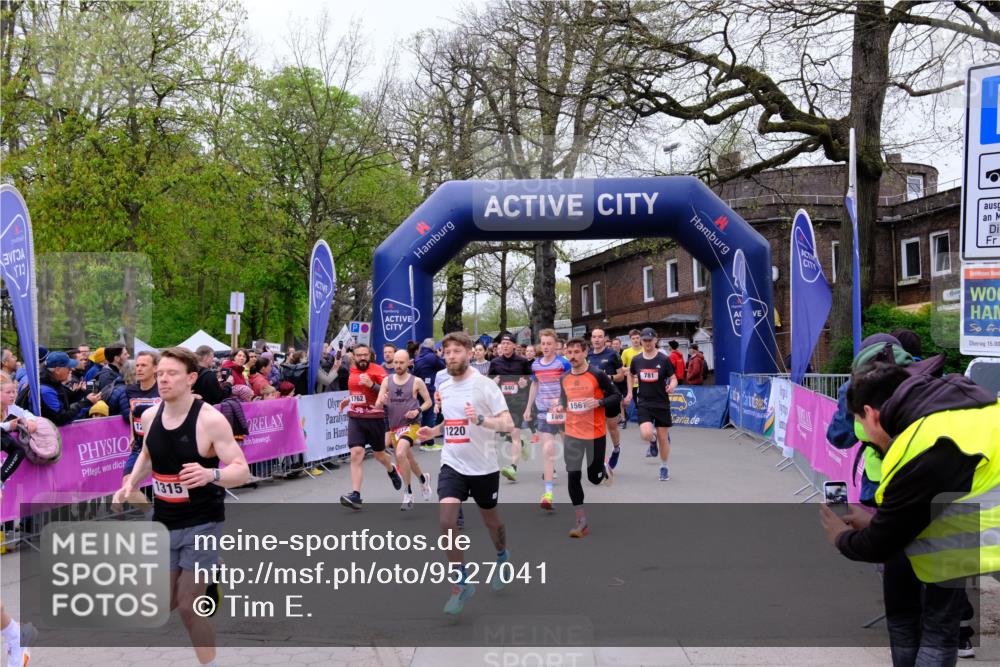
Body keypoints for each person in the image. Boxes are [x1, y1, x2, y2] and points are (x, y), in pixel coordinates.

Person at [819, 362, 1000, 665]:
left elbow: (880, 544)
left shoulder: (921, 446)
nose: (866, 435)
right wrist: (878, 521)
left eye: (860, 422)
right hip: (962, 533)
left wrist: (841, 537)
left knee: (936, 631)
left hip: (970, 541)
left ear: (871, 414)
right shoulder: (960, 407)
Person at [113, 347, 250, 667]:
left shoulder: (210, 420)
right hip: (164, 521)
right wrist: (131, 483)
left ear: (191, 378)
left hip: (203, 521)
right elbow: (147, 455)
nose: (163, 379)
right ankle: (212, 575)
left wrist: (211, 474)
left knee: (189, 606)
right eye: (160, 373)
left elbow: (241, 470)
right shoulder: (149, 416)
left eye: (171, 373)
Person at [415, 331, 513, 615]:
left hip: (483, 466)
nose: (451, 356)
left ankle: (502, 556)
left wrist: (481, 420)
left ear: (469, 353)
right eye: (446, 352)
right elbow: (451, 421)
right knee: (447, 521)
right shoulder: (444, 386)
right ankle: (461, 583)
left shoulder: (484, 386)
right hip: (453, 463)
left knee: (491, 521)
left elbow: (507, 423)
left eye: (456, 351)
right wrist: (434, 431)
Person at [553, 338, 619, 537]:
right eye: (569, 352)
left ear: (585, 352)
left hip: (595, 434)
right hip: (572, 433)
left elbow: (616, 396)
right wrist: (559, 406)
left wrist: (599, 403)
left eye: (576, 352)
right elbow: (564, 400)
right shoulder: (564, 378)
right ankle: (581, 520)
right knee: (573, 474)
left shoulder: (597, 374)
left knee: (594, 478)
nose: (572, 356)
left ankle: (603, 468)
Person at [337, 344, 402, 509]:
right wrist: (348, 399)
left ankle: (391, 469)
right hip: (356, 417)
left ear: (370, 355)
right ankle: (356, 495)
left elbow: (390, 393)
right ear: (354, 356)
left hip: (375, 418)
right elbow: (357, 393)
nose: (362, 358)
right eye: (359, 355)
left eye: (365, 355)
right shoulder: (352, 371)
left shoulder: (378, 370)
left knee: (379, 454)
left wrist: (372, 385)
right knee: (356, 453)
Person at [374, 349, 434, 510]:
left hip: (411, 424)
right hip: (395, 426)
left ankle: (408, 493)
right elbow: (378, 404)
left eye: (401, 362)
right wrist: (382, 401)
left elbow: (428, 402)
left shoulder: (416, 381)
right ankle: (423, 479)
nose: (398, 365)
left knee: (400, 453)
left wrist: (418, 410)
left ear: (409, 363)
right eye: (396, 362)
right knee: (409, 460)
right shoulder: (387, 381)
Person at [524, 329, 571, 510]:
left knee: (570, 450)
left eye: (549, 344)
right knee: (548, 450)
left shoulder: (563, 363)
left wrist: (561, 402)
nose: (545, 347)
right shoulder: (536, 364)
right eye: (543, 343)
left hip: (562, 412)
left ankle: (597, 463)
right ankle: (548, 494)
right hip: (544, 413)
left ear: (555, 345)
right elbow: (534, 385)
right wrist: (528, 407)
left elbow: (571, 384)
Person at [624, 328, 677, 481]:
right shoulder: (637, 360)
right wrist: (629, 393)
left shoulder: (663, 359)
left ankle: (664, 466)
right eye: (645, 340)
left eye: (650, 340)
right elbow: (630, 375)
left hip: (661, 403)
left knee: (663, 437)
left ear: (655, 340)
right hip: (644, 402)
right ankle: (652, 442)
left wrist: (672, 386)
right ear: (641, 341)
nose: (647, 343)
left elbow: (673, 378)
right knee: (646, 433)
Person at [116, 351, 161, 504]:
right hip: (140, 447)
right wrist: (132, 435)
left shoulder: (163, 389)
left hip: (164, 446)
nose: (139, 369)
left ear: (155, 368)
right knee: (128, 487)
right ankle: (151, 514)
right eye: (137, 365)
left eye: (144, 365)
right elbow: (132, 412)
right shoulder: (130, 390)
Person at [488, 333, 533, 483]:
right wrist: (493, 382)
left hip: (517, 402)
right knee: (506, 432)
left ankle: (513, 467)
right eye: (503, 343)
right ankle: (521, 443)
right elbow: (488, 382)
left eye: (508, 343)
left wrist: (525, 383)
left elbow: (531, 380)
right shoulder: (495, 362)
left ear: (514, 345)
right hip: (501, 403)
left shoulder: (523, 361)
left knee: (514, 433)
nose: (505, 346)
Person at [16, 351, 99, 425]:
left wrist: (80, 392)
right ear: (57, 370)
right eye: (68, 367)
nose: (71, 369)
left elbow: (64, 400)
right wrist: (86, 402)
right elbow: (61, 418)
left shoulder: (51, 382)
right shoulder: (45, 391)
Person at [587, 328, 625, 469]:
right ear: (591, 339)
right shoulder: (588, 356)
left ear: (604, 339)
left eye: (600, 336)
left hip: (610, 396)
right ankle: (601, 460)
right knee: (597, 429)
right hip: (594, 398)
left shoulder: (612, 354)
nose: (597, 339)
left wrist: (607, 377)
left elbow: (621, 376)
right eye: (594, 337)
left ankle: (616, 448)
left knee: (612, 427)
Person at [621, 329, 657, 454]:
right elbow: (621, 368)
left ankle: (655, 431)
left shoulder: (646, 349)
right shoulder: (626, 352)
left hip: (649, 384)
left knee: (653, 408)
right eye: (633, 338)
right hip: (634, 385)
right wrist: (631, 371)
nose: (636, 340)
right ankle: (650, 432)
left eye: (637, 338)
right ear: (630, 340)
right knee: (641, 408)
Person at [413, 338, 445, 451]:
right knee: (430, 415)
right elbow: (443, 366)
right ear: (432, 347)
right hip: (430, 388)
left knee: (425, 415)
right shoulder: (432, 357)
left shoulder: (418, 357)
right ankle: (429, 443)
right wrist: (439, 355)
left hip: (420, 388)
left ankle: (423, 441)